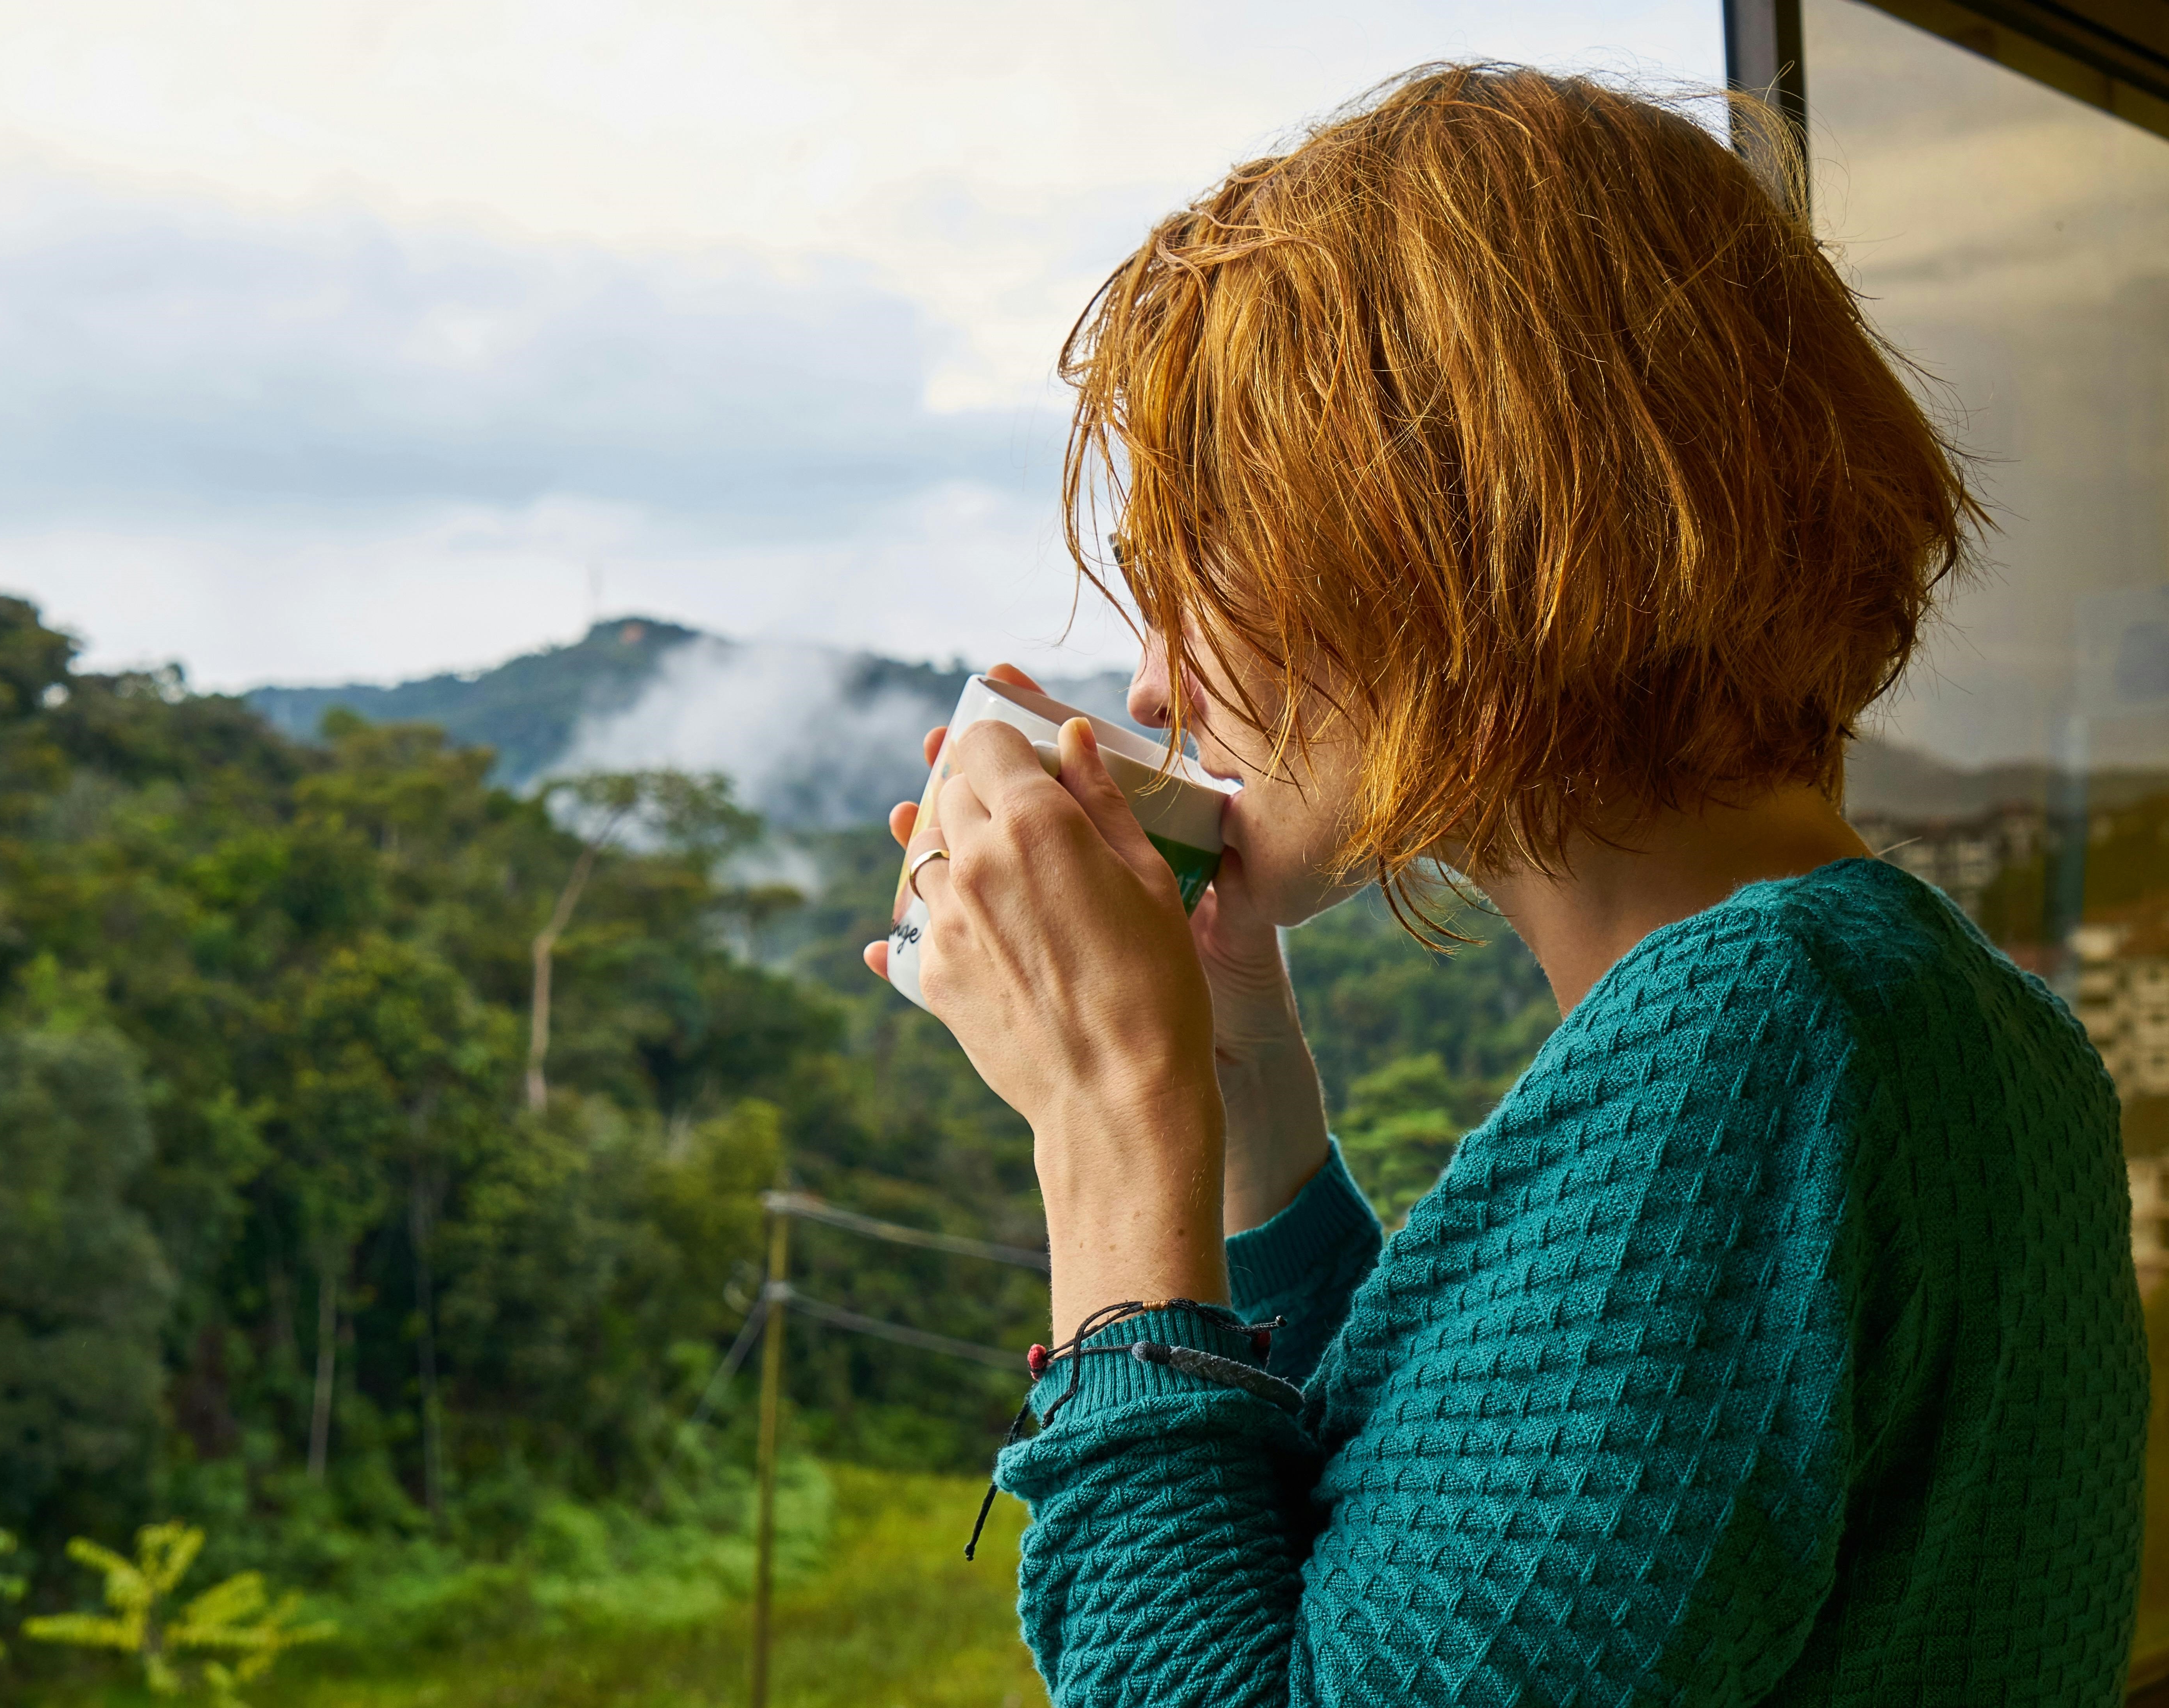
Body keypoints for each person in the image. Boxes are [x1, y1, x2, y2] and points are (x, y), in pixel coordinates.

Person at [861, 64, 2144, 1705]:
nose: (1165, 688)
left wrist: (1113, 1128)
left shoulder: (1768, 1041)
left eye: (1194, 586)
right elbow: (1439, 1563)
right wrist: (1244, 1087)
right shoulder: (1952, 1028)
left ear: (1424, 541)